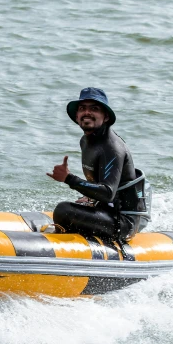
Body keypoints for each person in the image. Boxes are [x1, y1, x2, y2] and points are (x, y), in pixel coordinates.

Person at [46, 87, 149, 241]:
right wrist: (91, 198)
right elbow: (101, 184)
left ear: (105, 117)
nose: (87, 113)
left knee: (64, 210)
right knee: (67, 208)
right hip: (106, 209)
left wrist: (69, 179)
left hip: (123, 223)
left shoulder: (111, 148)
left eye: (94, 109)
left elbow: (108, 192)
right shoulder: (86, 141)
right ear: (77, 115)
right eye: (82, 108)